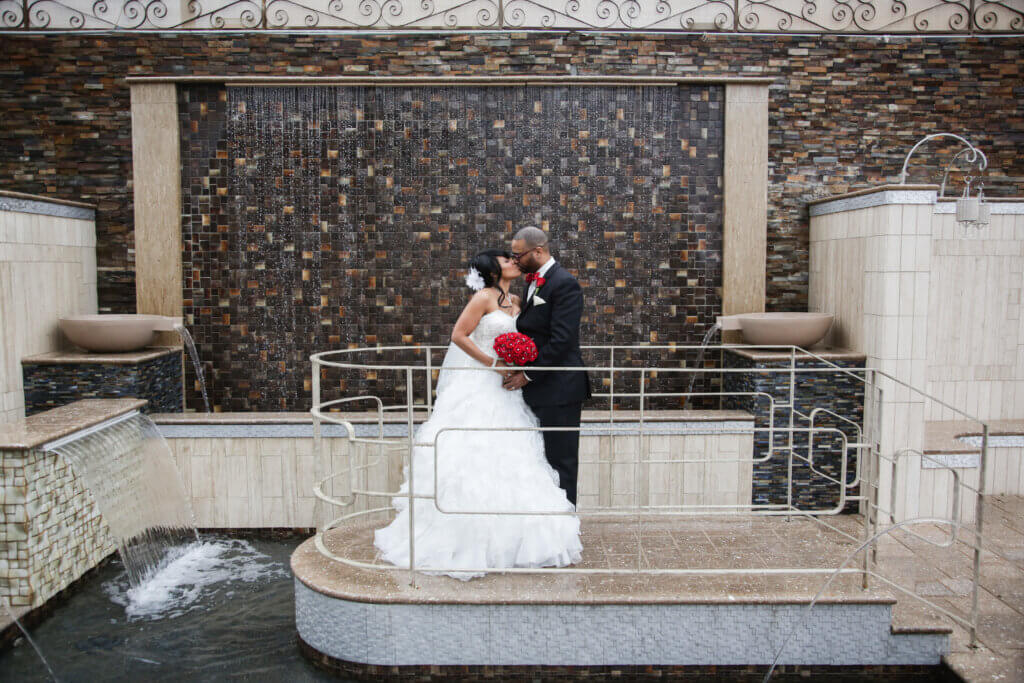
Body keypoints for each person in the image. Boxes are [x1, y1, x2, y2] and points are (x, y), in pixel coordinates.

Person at [373, 248, 582, 580]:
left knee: (514, 459)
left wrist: (522, 364)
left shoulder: (518, 301)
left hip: (508, 390)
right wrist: (494, 364)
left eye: (514, 258)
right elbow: (459, 335)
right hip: (481, 385)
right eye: (506, 260)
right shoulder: (484, 297)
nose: (514, 262)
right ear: (492, 270)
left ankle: (512, 542)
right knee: (474, 455)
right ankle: (463, 538)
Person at [502, 227, 591, 506]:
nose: (514, 260)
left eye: (518, 255)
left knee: (561, 463)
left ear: (537, 251)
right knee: (539, 462)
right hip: (540, 389)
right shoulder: (533, 283)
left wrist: (527, 374)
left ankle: (565, 531)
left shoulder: (564, 283)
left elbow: (562, 341)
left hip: (560, 390)